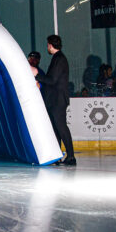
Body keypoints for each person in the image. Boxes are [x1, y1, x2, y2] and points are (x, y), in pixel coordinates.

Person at [30, 34, 75, 166]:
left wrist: (36, 75)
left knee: (61, 127)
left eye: (47, 45)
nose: (47, 48)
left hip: (58, 99)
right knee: (56, 128)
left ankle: (71, 156)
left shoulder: (59, 59)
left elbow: (52, 80)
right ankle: (57, 156)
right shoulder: (57, 58)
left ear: (50, 45)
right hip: (55, 99)